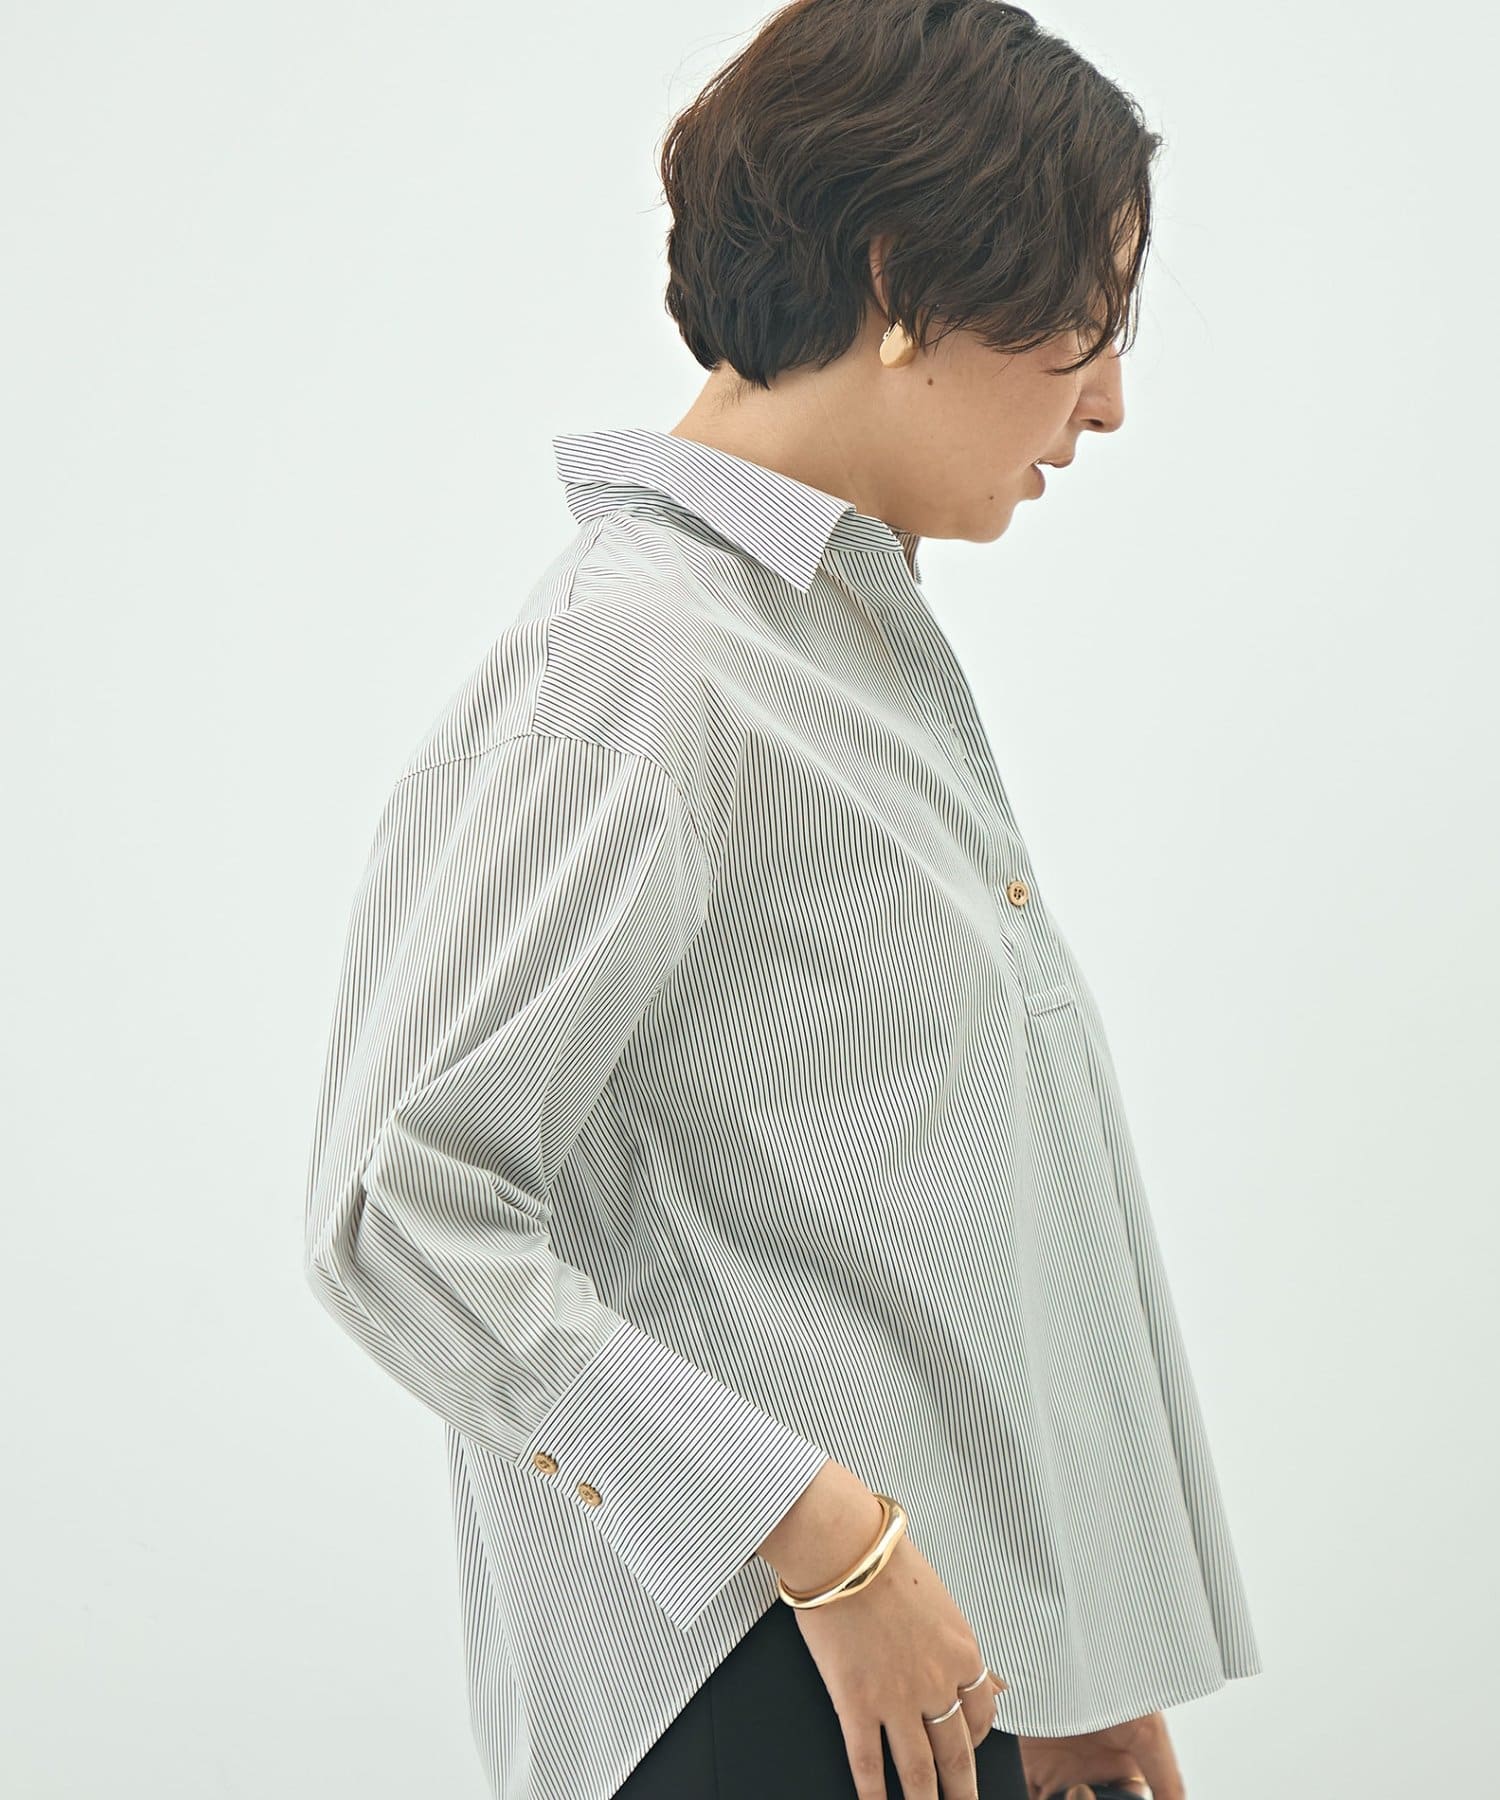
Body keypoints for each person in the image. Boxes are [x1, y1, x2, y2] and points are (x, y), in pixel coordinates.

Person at [301, 3, 1262, 1797]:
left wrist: (1069, 1643)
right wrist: (824, 1536)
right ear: (901, 280)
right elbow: (398, 1213)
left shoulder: (831, 656)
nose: (1109, 399)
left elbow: (918, 1231)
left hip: (928, 1673)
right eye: (1089, 316)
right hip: (769, 1671)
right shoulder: (638, 664)